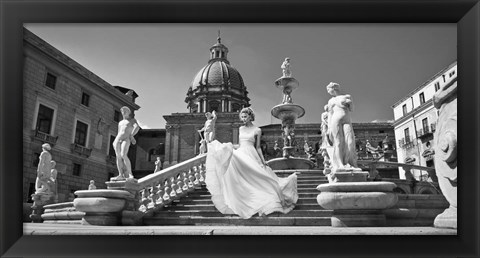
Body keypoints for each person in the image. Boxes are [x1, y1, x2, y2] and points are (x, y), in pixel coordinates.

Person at [205, 107, 298, 219]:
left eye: (245, 116)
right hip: (241, 152)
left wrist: (263, 161)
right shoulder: (240, 128)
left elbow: (258, 147)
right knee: (237, 171)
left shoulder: (257, 130)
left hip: (251, 153)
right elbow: (240, 144)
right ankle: (244, 200)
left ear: (250, 117)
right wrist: (229, 148)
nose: (243, 119)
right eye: (242, 117)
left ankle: (265, 199)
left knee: (259, 177)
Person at [326, 82, 358, 173]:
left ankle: (349, 162)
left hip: (347, 120)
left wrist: (350, 103)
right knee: (338, 142)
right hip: (335, 121)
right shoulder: (331, 101)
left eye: (329, 90)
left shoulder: (347, 97)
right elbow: (330, 114)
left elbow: (352, 109)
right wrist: (328, 128)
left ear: (334, 88)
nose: (328, 92)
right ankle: (340, 164)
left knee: (350, 141)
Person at [113, 106, 139, 180]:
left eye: (125, 111)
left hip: (126, 139)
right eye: (122, 111)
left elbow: (137, 127)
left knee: (123, 155)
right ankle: (120, 174)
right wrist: (115, 141)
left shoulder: (132, 120)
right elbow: (119, 132)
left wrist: (131, 135)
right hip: (118, 139)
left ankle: (130, 174)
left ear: (129, 112)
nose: (123, 112)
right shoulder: (120, 122)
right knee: (118, 156)